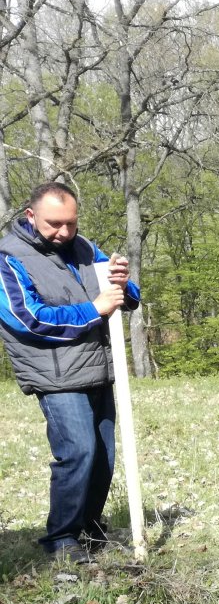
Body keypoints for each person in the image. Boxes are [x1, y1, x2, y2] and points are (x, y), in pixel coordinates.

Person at [0, 182, 141, 564]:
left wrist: (123, 283)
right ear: (31, 216)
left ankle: (89, 530)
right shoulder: (8, 258)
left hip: (98, 368)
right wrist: (94, 309)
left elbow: (125, 297)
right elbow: (26, 319)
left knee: (103, 458)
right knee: (78, 452)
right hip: (56, 376)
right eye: (54, 224)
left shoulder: (85, 249)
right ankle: (61, 538)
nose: (64, 231)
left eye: (71, 223)